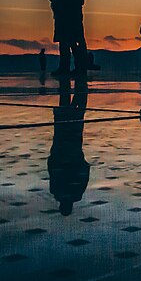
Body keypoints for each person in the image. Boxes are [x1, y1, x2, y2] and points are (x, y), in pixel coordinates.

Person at [48, 77, 90, 216]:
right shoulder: (56, 191)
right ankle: (77, 86)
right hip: (62, 147)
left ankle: (81, 88)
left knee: (78, 112)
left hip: (72, 149)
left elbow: (85, 173)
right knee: (65, 107)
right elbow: (51, 167)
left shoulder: (75, 193)